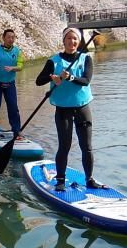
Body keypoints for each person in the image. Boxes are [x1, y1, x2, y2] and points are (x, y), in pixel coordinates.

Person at [35, 27, 106, 192]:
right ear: (63, 41)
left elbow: (86, 80)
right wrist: (52, 77)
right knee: (64, 146)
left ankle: (89, 179)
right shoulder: (53, 61)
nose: (72, 42)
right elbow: (39, 81)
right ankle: (60, 180)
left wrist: (71, 77)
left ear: (79, 41)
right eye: (69, 39)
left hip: (82, 108)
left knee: (86, 146)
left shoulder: (86, 58)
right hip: (63, 110)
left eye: (75, 39)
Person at [0, 29, 23, 140]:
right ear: (3, 38)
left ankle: (16, 131)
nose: (11, 39)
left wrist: (13, 68)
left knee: (13, 107)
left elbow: (20, 66)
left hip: (10, 84)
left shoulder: (17, 51)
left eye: (13, 37)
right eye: (9, 37)